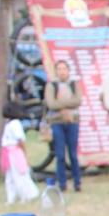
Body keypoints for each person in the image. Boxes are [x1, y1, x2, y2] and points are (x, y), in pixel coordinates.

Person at [43, 59, 83, 192]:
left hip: (72, 122)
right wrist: (67, 104)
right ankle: (62, 183)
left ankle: (77, 182)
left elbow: (78, 101)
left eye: (64, 69)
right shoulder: (51, 86)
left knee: (73, 154)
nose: (62, 72)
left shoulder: (74, 84)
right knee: (60, 154)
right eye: (59, 69)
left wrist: (61, 102)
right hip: (57, 122)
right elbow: (51, 104)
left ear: (68, 70)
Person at [2, 102, 38, 203]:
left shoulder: (16, 124)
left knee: (20, 174)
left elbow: (21, 140)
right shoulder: (9, 124)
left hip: (15, 152)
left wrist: (24, 154)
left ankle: (27, 195)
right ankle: (11, 198)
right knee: (10, 177)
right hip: (7, 152)